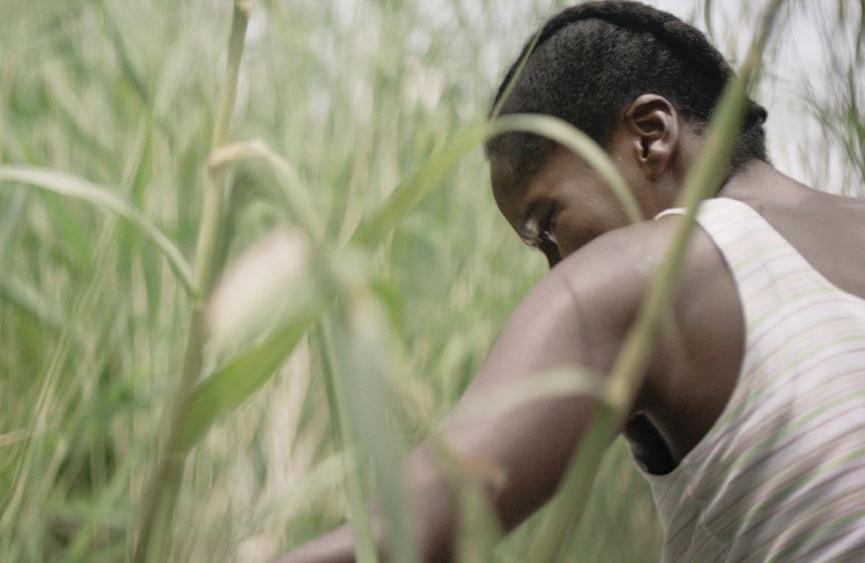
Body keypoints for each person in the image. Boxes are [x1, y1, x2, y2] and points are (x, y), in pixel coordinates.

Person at [277, 1, 865, 561]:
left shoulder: (636, 275)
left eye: (547, 226)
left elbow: (407, 536)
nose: (558, 269)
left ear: (651, 135)